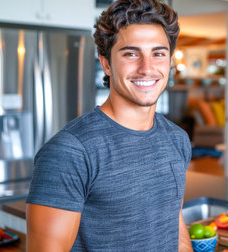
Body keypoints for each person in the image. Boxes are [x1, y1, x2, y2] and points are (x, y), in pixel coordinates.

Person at [25, 0, 193, 251]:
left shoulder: (177, 139)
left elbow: (174, 226)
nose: (147, 68)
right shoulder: (70, 151)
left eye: (158, 53)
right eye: (131, 53)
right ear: (106, 63)